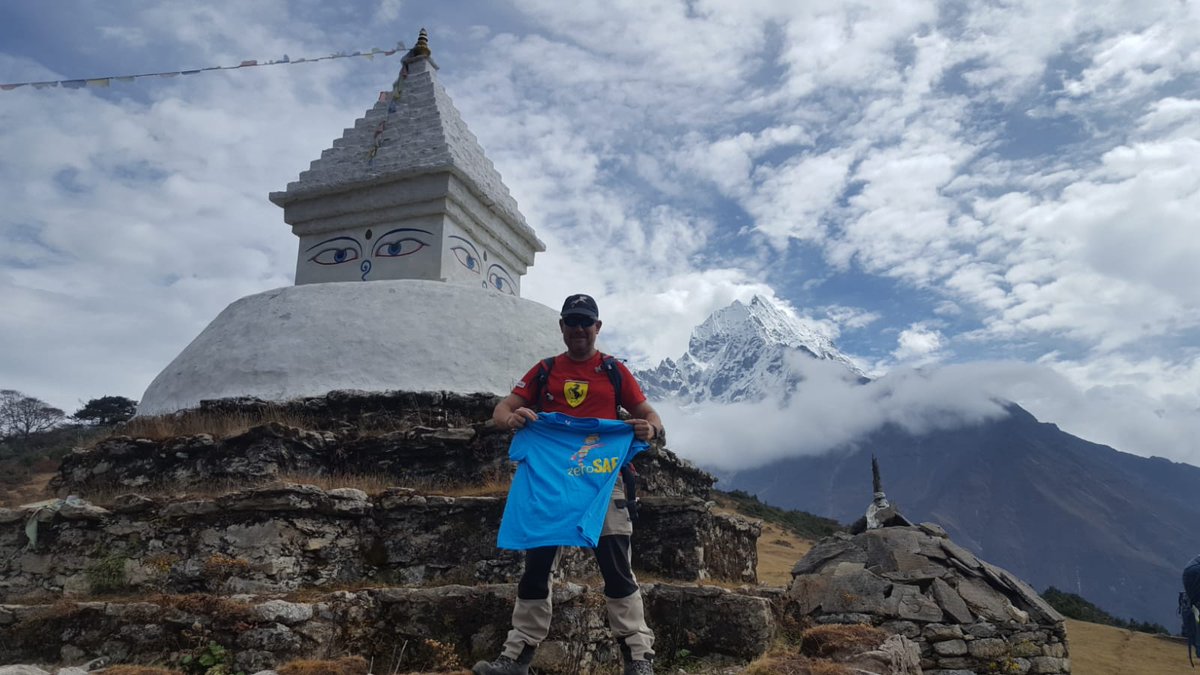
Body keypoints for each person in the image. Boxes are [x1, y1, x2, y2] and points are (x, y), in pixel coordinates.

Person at [473, 293, 664, 675]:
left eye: (585, 322)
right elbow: (502, 409)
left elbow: (649, 414)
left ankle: (638, 657)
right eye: (572, 321)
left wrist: (652, 428)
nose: (579, 329)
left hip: (602, 483)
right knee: (536, 566)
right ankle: (516, 657)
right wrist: (511, 420)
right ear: (562, 327)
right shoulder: (544, 370)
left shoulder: (613, 371)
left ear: (598, 327)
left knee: (615, 567)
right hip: (549, 482)